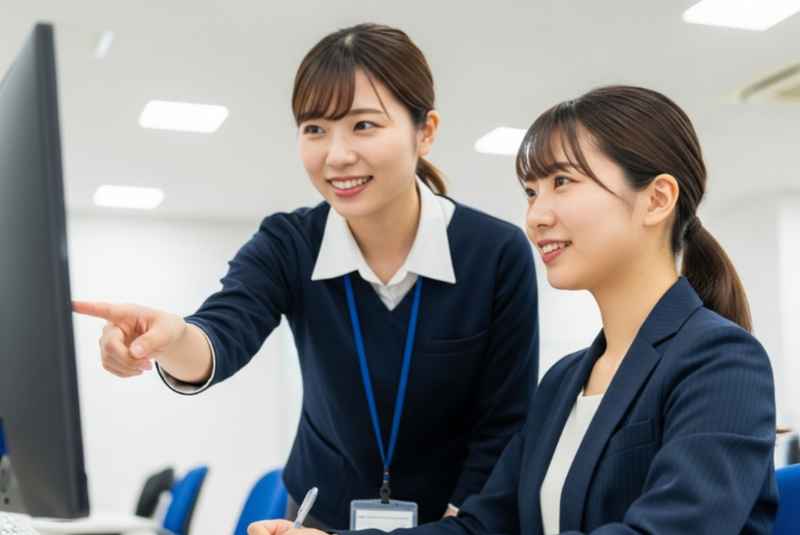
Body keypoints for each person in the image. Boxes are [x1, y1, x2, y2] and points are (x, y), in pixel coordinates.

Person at [249, 85, 779, 535]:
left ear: (658, 199)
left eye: (563, 182)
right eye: (530, 191)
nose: (536, 216)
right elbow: (481, 527)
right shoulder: (564, 382)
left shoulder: (721, 361)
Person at [73, 24, 539, 530]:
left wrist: (456, 524)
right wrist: (171, 339)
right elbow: (223, 330)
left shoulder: (494, 253)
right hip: (317, 519)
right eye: (314, 128)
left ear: (424, 131)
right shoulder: (289, 243)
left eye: (364, 125)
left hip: (451, 521)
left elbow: (504, 425)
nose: (336, 155)